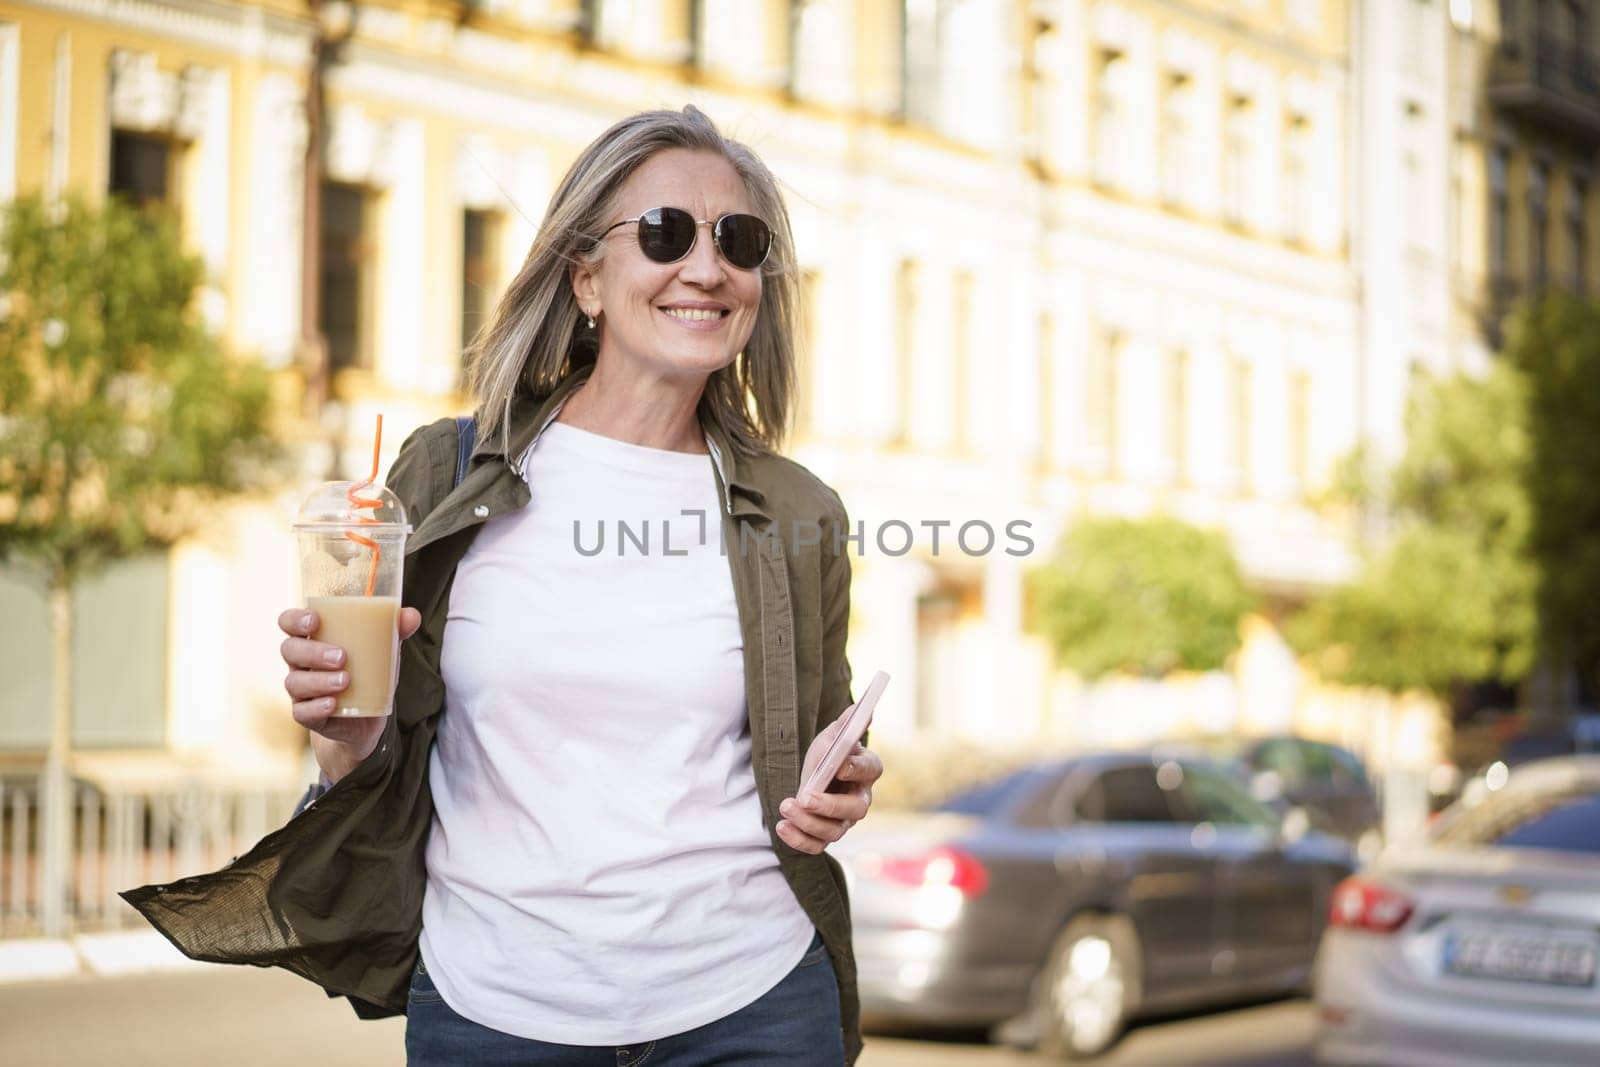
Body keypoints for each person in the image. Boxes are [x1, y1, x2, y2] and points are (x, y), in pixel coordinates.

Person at [277, 106, 878, 1064]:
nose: (707, 267)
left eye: (740, 239)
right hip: (496, 1007)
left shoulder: (801, 509)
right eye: (665, 233)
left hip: (753, 1002)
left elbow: (818, 744)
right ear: (586, 276)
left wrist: (838, 791)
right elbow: (371, 753)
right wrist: (344, 739)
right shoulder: (444, 473)